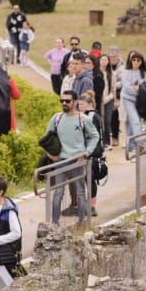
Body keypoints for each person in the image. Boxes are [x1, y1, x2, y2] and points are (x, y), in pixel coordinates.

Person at [46, 92, 99, 223]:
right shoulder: (56, 118)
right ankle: (54, 223)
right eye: (62, 101)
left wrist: (87, 152)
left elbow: (94, 136)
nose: (64, 103)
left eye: (67, 101)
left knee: (80, 192)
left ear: (74, 102)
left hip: (77, 161)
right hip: (61, 161)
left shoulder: (83, 119)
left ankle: (82, 222)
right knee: (58, 193)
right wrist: (50, 154)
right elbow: (47, 137)